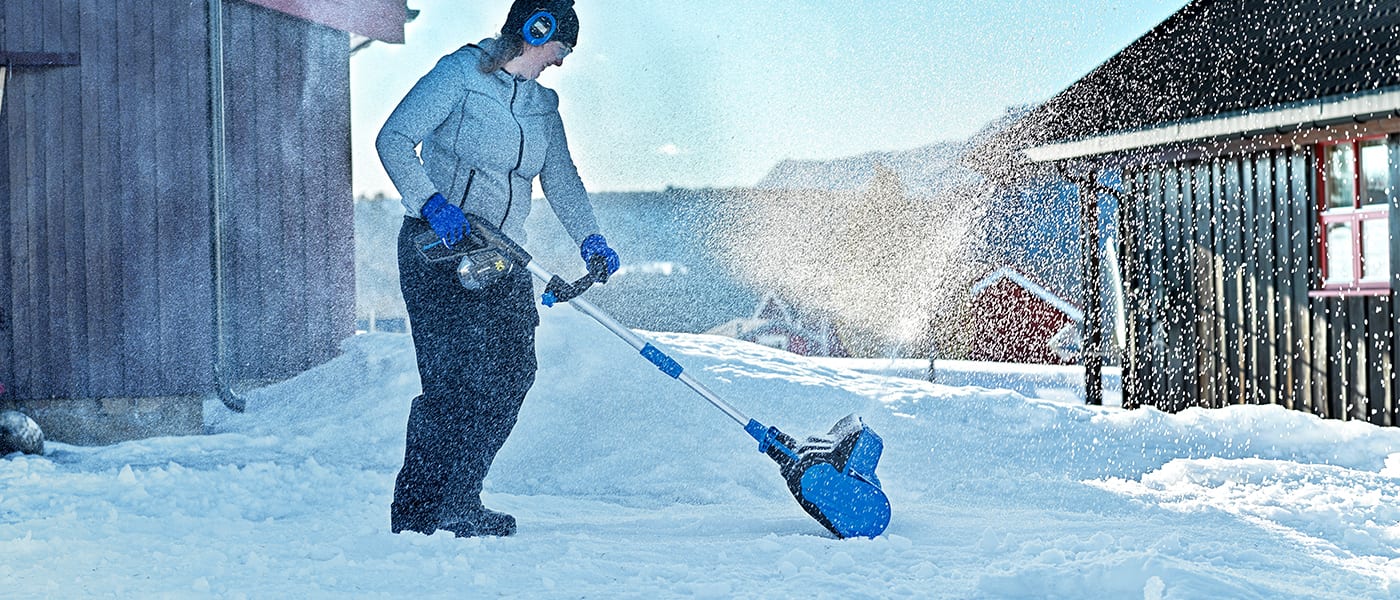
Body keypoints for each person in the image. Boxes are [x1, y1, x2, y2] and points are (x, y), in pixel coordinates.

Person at [375, 0, 620, 538]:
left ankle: (461, 500)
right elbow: (392, 139)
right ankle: (416, 515)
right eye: (560, 49)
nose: (560, 62)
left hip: (501, 253)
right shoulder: (460, 75)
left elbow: (562, 179)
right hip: (438, 247)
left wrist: (591, 239)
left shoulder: (541, 107)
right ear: (538, 30)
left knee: (511, 372)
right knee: (451, 384)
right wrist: (430, 203)